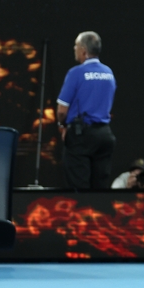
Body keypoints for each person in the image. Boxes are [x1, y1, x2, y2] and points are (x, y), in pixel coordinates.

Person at [56, 31, 117, 190]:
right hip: (104, 135)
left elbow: (62, 110)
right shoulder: (109, 73)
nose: (74, 49)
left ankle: (81, 214)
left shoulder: (76, 73)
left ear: (83, 50)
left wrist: (62, 125)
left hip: (81, 137)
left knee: (79, 189)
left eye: (76, 46)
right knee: (100, 189)